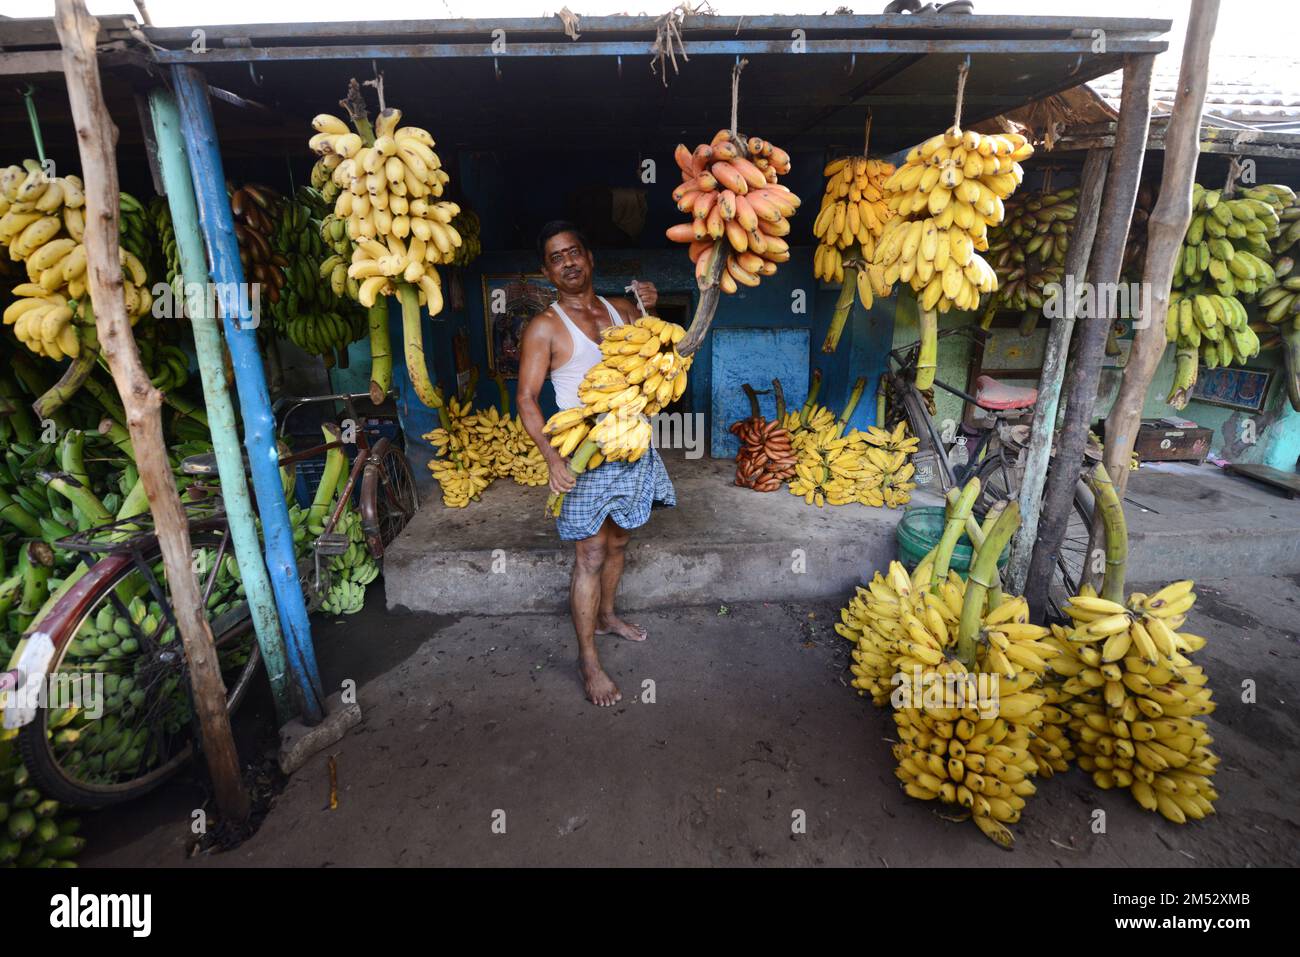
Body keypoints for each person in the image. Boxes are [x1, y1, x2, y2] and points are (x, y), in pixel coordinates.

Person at [516, 221, 675, 707]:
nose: (567, 262)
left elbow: (656, 355)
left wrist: (653, 305)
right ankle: (588, 659)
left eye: (573, 251)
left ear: (589, 257)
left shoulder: (623, 309)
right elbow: (526, 398)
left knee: (621, 539)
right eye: (556, 257)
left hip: (633, 444)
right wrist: (551, 459)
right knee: (589, 554)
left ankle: (608, 616)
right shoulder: (545, 327)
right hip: (583, 453)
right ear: (547, 270)